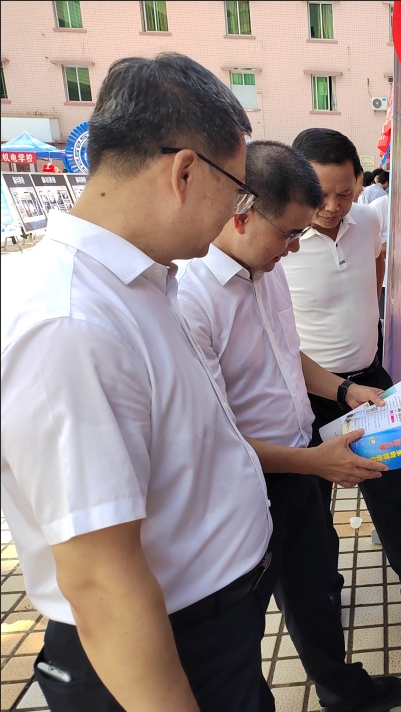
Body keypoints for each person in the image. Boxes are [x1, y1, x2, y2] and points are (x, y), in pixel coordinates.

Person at [1, 53, 272, 711]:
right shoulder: (68, 322)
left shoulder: (143, 281)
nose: (233, 213)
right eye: (236, 192)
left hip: (210, 629)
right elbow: (101, 580)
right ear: (186, 172)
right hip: (159, 653)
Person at [177, 140, 401, 712]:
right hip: (245, 485)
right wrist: (314, 462)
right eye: (288, 234)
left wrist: (344, 390)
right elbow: (212, 435)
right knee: (241, 619)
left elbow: (288, 353)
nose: (295, 247)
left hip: (300, 462)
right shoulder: (191, 298)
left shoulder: (266, 268)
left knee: (314, 587)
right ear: (242, 212)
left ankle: (341, 688)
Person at [285, 128, 401, 621]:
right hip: (311, 391)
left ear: (360, 182)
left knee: (389, 490)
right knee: (314, 503)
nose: (331, 206)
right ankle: (325, 588)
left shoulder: (367, 219)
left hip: (370, 379)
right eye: (319, 195)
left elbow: (375, 271)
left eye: (344, 193)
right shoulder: (284, 239)